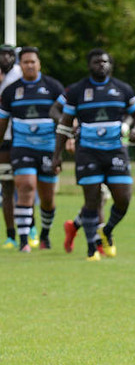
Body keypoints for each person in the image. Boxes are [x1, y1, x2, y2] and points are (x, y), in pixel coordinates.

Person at [51, 49, 135, 261]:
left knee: (123, 199)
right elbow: (64, 123)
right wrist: (57, 155)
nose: (100, 65)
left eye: (104, 62)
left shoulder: (122, 89)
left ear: (110, 65)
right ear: (89, 65)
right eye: (96, 62)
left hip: (115, 150)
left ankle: (107, 230)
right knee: (92, 200)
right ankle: (91, 249)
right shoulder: (77, 90)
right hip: (88, 152)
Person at [0, 46, 64, 252]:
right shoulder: (11, 91)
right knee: (25, 187)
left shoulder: (53, 87)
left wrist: (66, 143)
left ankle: (44, 233)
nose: (29, 65)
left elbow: (66, 117)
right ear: (20, 65)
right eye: (25, 62)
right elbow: (2, 121)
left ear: (39, 64)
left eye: (32, 61)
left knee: (47, 199)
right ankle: (24, 240)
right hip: (22, 147)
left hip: (48, 148)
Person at [0, 44, 23, 249]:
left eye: (9, 54)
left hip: (22, 139)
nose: (5, 58)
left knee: (25, 184)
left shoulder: (20, 76)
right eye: (2, 55)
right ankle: (10, 235)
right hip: (3, 140)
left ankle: (30, 228)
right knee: (6, 185)